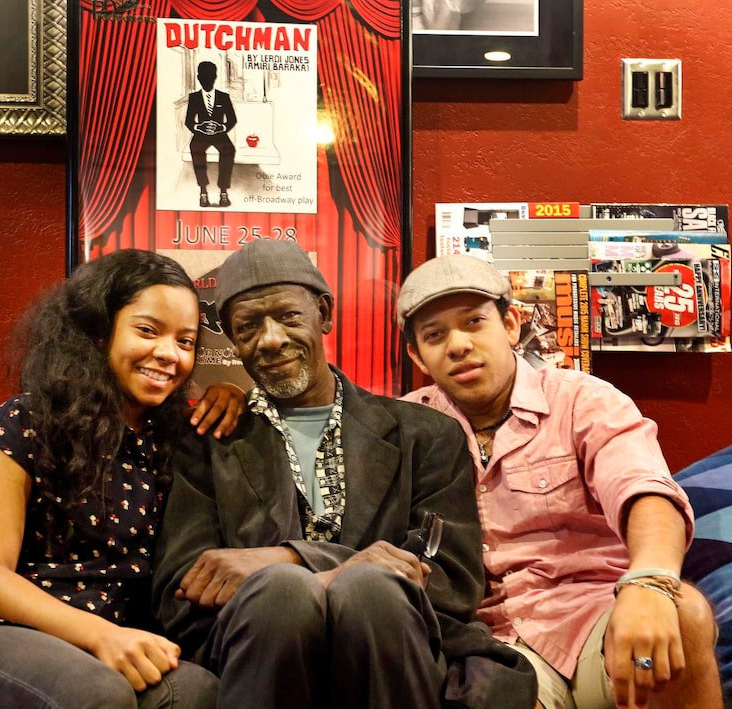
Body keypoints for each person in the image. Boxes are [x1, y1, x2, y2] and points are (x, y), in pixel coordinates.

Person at [152, 238, 537, 708]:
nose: (271, 339)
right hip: (261, 655)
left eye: (289, 317)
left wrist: (292, 559)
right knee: (280, 594)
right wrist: (311, 574)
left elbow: (452, 581)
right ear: (233, 341)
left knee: (369, 589)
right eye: (248, 326)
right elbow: (180, 593)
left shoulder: (425, 435)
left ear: (324, 315)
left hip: (391, 648)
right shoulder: (209, 443)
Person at [0, 249, 247, 708]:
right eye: (148, 330)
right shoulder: (29, 418)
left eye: (185, 342)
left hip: (100, 637)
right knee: (96, 692)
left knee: (196, 690)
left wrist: (237, 397)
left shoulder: (177, 440)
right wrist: (102, 636)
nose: (169, 353)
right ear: (98, 330)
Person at [396, 253, 723, 709]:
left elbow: (644, 490)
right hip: (489, 650)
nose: (458, 345)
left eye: (474, 322)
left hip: (601, 628)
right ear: (418, 355)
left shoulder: (582, 400)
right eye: (435, 335)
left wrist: (650, 580)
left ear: (510, 324)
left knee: (682, 612)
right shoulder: (405, 427)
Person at [184, 61, 237, 209]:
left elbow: (232, 119)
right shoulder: (194, 97)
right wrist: (198, 127)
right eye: (204, 77)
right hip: (201, 134)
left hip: (219, 134)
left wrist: (222, 127)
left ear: (215, 77)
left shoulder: (223, 97)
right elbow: (189, 121)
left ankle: (223, 191)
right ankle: (203, 191)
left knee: (229, 149)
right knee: (195, 147)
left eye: (210, 76)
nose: (207, 80)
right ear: (199, 78)